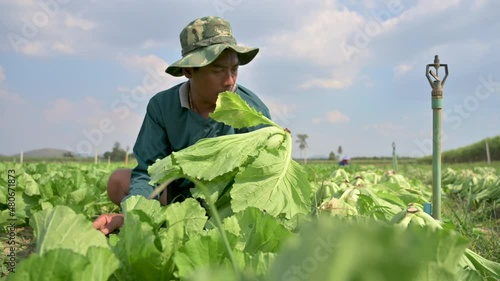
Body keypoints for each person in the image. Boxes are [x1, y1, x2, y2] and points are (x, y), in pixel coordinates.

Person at [93, 16, 271, 235]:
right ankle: (168, 217)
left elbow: (263, 176)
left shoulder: (251, 110)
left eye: (234, 69)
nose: (229, 81)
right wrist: (131, 215)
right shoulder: (162, 106)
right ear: (189, 71)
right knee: (118, 181)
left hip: (228, 200)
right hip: (178, 195)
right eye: (217, 70)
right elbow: (148, 171)